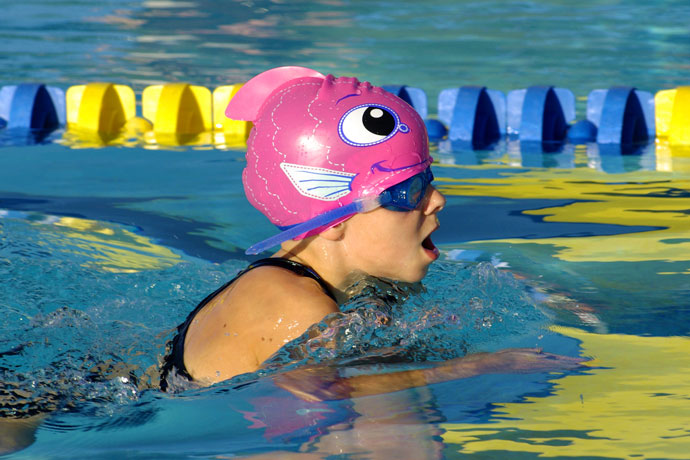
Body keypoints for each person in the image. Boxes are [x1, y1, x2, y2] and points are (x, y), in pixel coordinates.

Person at [159, 66, 583, 396]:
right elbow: (324, 394)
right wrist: (478, 367)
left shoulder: (357, 288)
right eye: (407, 191)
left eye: (428, 179)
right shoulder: (293, 303)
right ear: (333, 220)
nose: (436, 200)